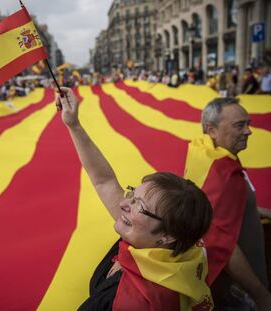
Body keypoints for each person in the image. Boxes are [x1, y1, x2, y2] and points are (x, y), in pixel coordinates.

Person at [57, 88, 214, 310]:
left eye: (137, 205)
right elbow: (105, 181)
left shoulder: (130, 302)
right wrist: (74, 125)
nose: (122, 203)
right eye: (132, 194)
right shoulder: (175, 249)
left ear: (167, 235)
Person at [184, 97, 271, 310]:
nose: (249, 131)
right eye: (239, 125)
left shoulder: (206, 154)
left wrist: (256, 210)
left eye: (248, 123)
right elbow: (223, 244)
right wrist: (261, 295)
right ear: (211, 130)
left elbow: (216, 209)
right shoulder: (223, 175)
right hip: (240, 288)